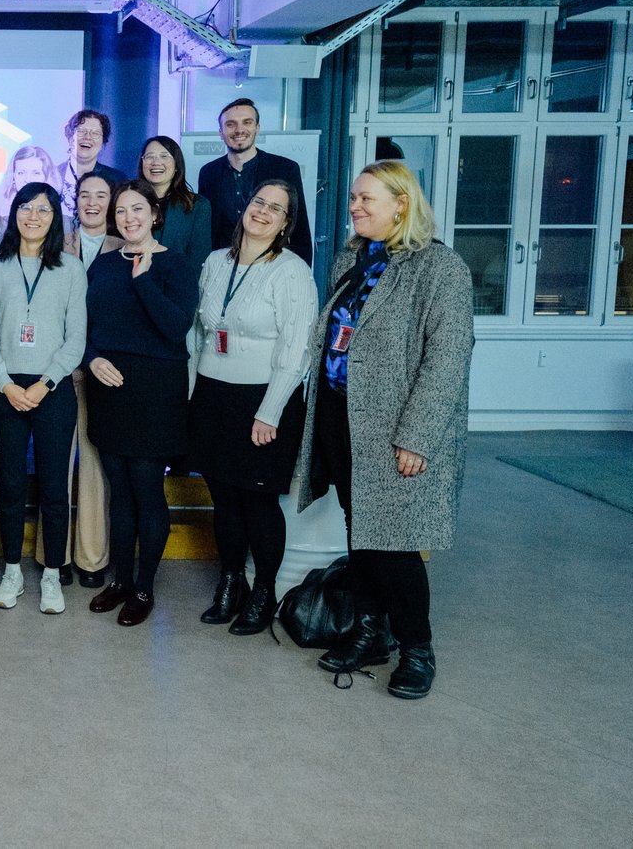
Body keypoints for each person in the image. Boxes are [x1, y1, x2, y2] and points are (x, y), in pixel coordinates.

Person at [293, 160, 473, 700]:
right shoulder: (352, 258)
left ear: (402, 204)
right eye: (353, 198)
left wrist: (416, 436)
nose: (354, 207)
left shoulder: (439, 267)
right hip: (341, 415)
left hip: (395, 429)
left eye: (366, 198)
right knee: (362, 532)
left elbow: (447, 359)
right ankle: (369, 632)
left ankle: (417, 649)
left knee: (395, 544)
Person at [189, 180, 315, 634]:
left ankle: (264, 591)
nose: (263, 211)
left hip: (263, 400)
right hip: (212, 396)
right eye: (259, 202)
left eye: (276, 208)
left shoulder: (291, 271)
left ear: (285, 224)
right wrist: (192, 394)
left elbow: (298, 348)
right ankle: (230, 583)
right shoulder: (214, 262)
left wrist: (270, 411)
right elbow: (198, 333)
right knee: (223, 499)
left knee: (258, 502)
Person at [84, 180, 198, 627]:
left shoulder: (177, 265)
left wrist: (144, 280)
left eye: (137, 209)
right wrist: (91, 359)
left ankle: (144, 588)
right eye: (121, 211)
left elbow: (175, 327)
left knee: (147, 489)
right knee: (119, 490)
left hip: (156, 392)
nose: (128, 218)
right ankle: (120, 581)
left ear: (154, 214)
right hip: (108, 388)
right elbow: (84, 326)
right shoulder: (102, 264)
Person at [0, 182, 88, 614]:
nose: (33, 216)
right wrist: (6, 383)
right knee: (10, 484)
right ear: (14, 214)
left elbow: (76, 337)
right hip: (6, 388)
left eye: (43, 210)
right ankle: (11, 572)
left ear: (55, 218)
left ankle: (50, 575)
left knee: (53, 487)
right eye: (25, 207)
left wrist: (44, 384)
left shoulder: (71, 269)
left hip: (53, 388)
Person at [63, 171, 124, 588]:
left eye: (100, 196)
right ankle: (55, 554)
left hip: (104, 369)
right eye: (85, 195)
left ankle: (92, 558)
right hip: (59, 369)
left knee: (95, 468)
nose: (92, 202)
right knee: (57, 465)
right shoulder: (56, 244)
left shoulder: (125, 247)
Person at [197, 98, 312, 266]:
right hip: (222, 265)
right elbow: (205, 229)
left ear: (257, 128)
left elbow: (299, 227)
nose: (239, 130)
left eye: (247, 122)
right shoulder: (208, 172)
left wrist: (301, 269)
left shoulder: (285, 169)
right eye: (230, 124)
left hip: (272, 265)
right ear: (221, 132)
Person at [139, 135, 212, 267]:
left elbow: (198, 259)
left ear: (177, 165)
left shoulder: (197, 206)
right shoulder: (130, 203)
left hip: (179, 278)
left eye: (164, 156)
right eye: (149, 156)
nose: (156, 162)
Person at [59, 109, 126, 222]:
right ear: (70, 138)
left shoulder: (117, 180)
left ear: (103, 144)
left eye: (95, 133)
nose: (87, 137)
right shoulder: (51, 176)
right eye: (81, 131)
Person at [0, 145, 61, 225]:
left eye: (36, 173)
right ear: (13, 178)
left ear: (47, 177)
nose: (27, 179)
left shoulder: (63, 220)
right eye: (21, 173)